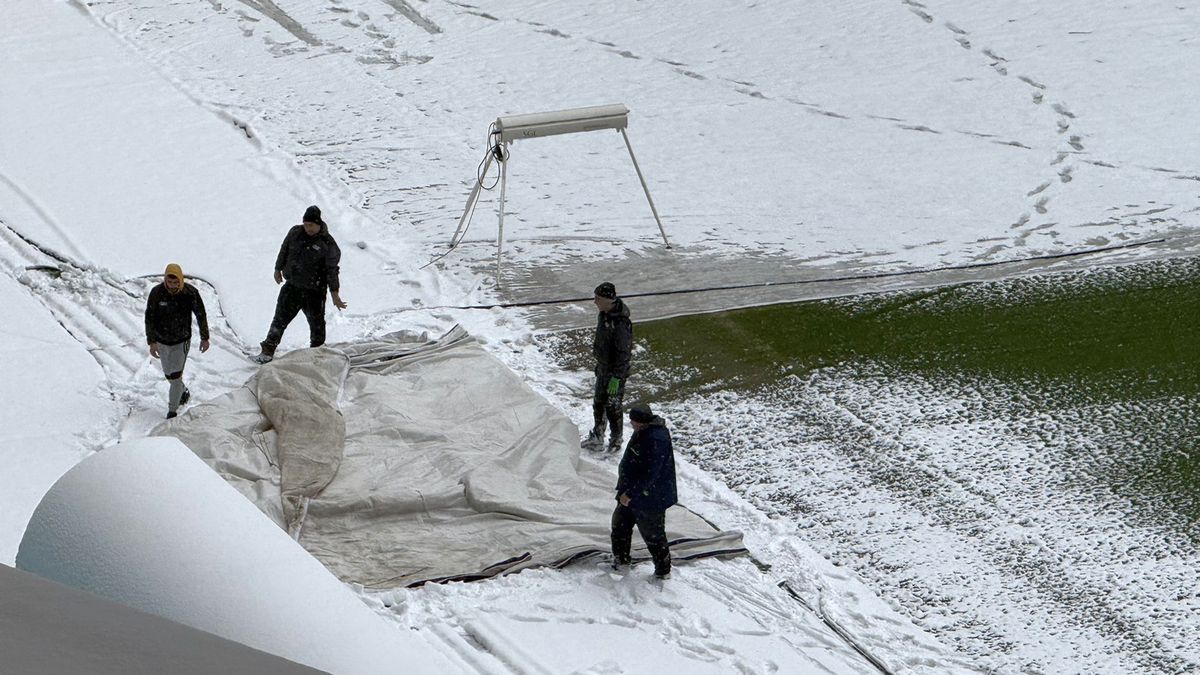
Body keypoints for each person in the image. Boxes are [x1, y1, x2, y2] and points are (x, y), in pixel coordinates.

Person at [253, 205, 347, 364]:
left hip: (314, 291)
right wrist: (278, 268)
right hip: (292, 286)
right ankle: (267, 350)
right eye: (306, 224)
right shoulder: (295, 233)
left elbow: (332, 271)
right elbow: (284, 249)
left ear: (319, 224)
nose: (308, 228)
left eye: (311, 225)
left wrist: (335, 294)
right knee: (279, 320)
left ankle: (317, 355)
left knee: (317, 325)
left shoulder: (328, 244)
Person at [611, 403, 677, 580]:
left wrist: (630, 494)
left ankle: (663, 571)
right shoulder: (643, 431)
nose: (631, 425)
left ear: (640, 422)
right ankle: (621, 559)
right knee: (620, 526)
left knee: (653, 535)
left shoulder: (656, 439)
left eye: (633, 421)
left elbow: (651, 474)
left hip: (650, 497)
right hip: (632, 492)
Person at [145, 263, 210, 419]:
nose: (173, 286)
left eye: (176, 282)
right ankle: (182, 391)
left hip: (181, 341)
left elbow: (201, 314)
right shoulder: (156, 293)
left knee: (175, 377)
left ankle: (172, 410)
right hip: (162, 341)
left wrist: (205, 337)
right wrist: (151, 341)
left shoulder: (190, 293)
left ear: (181, 280)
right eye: (170, 282)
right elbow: (149, 318)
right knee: (169, 375)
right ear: (165, 280)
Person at [582, 281, 632, 452]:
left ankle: (616, 440)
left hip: (614, 373)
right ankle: (597, 435)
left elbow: (623, 354)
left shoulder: (620, 324)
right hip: (603, 368)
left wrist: (617, 377)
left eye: (597, 298)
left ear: (607, 300)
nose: (595, 302)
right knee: (599, 403)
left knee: (613, 407)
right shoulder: (603, 315)